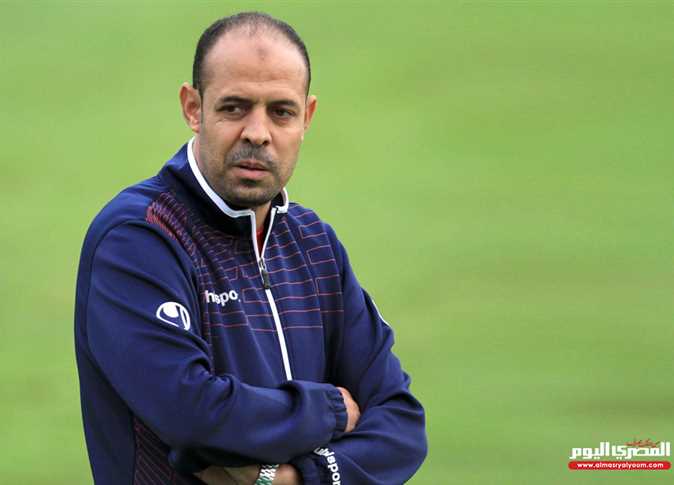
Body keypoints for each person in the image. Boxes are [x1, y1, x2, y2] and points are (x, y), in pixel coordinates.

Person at [74, 11, 426, 485]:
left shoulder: (314, 244)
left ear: (307, 117)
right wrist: (329, 410)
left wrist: (291, 480)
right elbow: (192, 413)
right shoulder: (139, 238)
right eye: (235, 107)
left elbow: (402, 425)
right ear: (193, 108)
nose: (258, 133)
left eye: (281, 111)